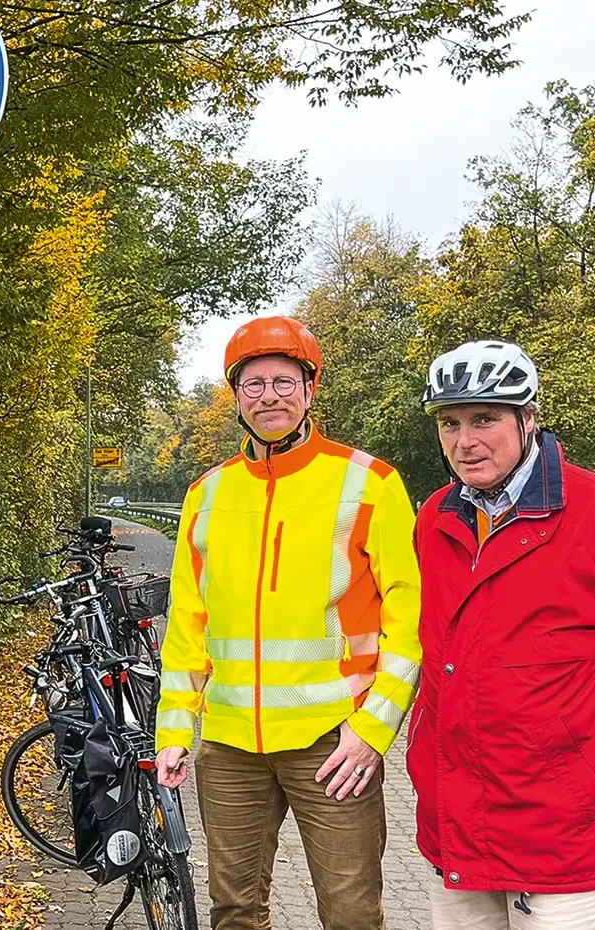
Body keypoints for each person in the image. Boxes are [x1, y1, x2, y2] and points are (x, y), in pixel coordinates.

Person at [409, 340, 595, 929]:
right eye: (450, 423)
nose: (465, 441)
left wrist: (579, 754)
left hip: (564, 828)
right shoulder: (434, 517)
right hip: (457, 817)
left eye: (485, 419)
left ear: (528, 418)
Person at [154, 316, 423, 930]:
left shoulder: (370, 482)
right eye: (253, 384)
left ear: (309, 389)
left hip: (334, 740)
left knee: (351, 915)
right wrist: (174, 730)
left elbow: (408, 619)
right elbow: (187, 624)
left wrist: (373, 730)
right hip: (229, 746)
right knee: (234, 911)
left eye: (283, 382)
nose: (269, 396)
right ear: (236, 396)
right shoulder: (207, 494)